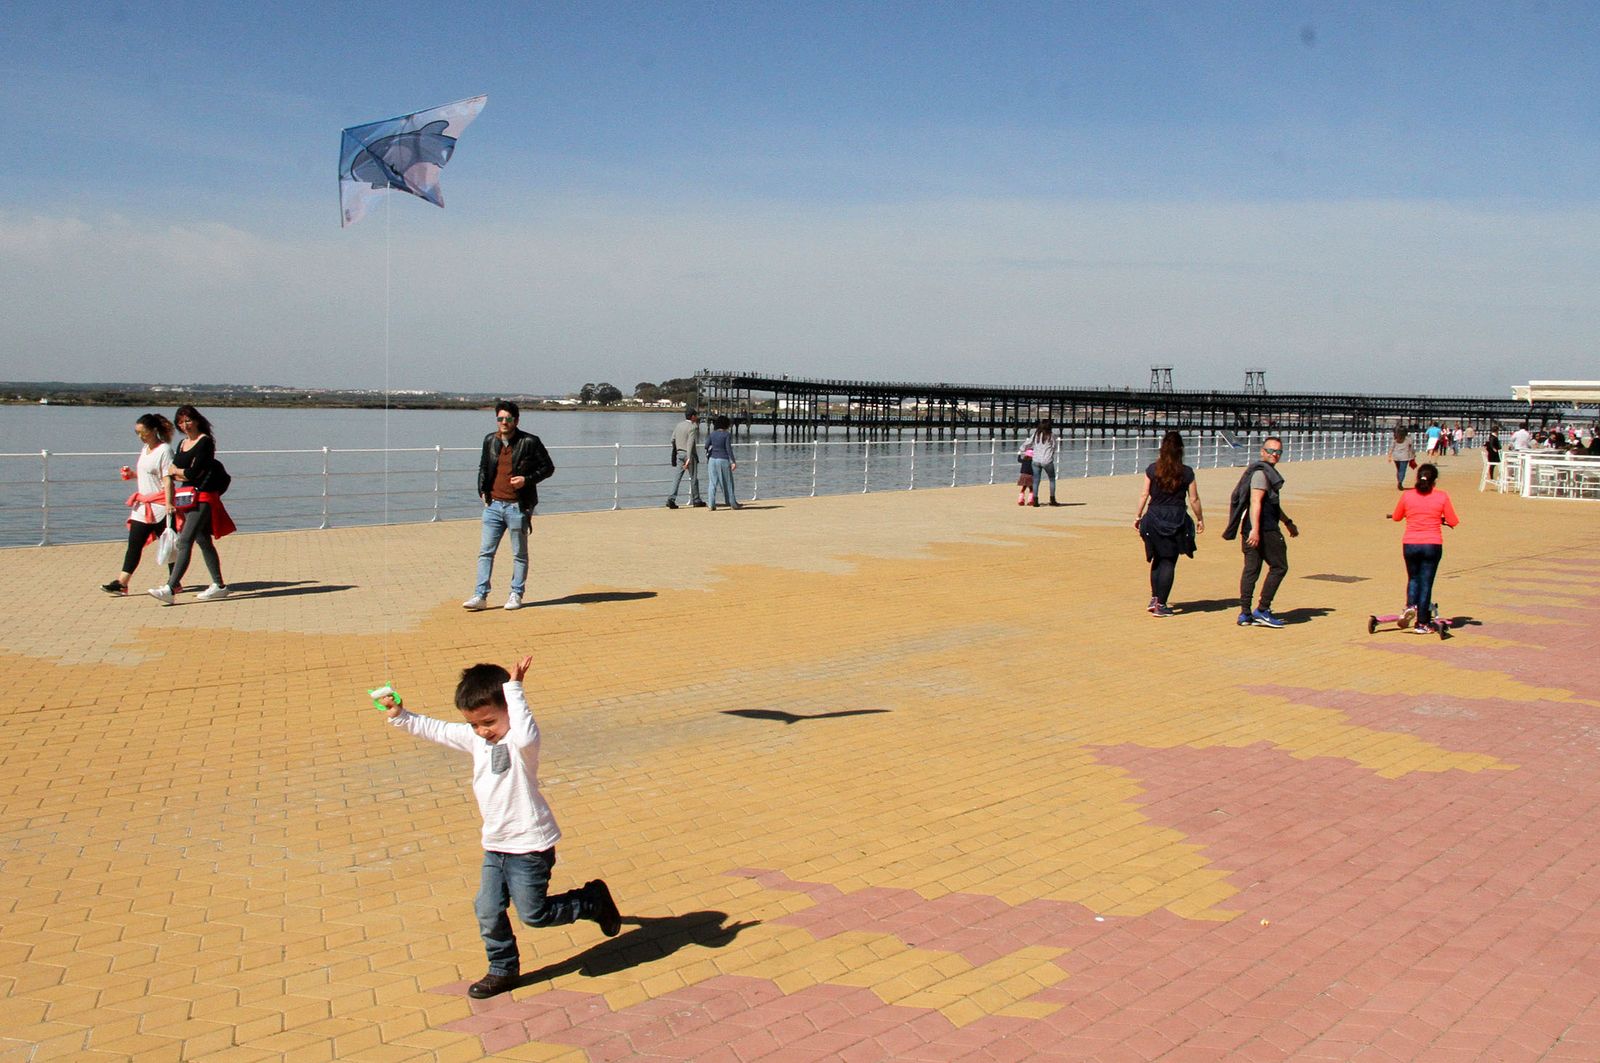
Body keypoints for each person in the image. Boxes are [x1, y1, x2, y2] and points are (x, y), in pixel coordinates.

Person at [376, 653, 622, 1000]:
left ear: (509, 709)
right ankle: (502, 969)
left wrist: (515, 687)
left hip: (530, 847)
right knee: (487, 909)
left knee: (534, 915)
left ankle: (591, 901)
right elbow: (435, 728)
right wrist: (400, 715)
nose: (482, 731)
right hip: (496, 846)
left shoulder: (522, 743)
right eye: (475, 724)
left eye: (489, 721)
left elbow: (523, 733)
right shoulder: (477, 739)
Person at [466, 402, 554, 612]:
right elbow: (483, 468)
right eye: (500, 419)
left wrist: (526, 479)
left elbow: (548, 468)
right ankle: (480, 595)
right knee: (485, 552)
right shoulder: (490, 440)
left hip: (517, 507)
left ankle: (516, 594)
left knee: (519, 554)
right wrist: (482, 491)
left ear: (516, 420)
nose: (504, 422)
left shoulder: (530, 441)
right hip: (493, 506)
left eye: (508, 419)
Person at [148, 405, 235, 605]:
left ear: (196, 420)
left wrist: (178, 471)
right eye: (180, 421)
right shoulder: (182, 444)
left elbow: (191, 473)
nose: (185, 425)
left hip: (203, 496)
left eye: (188, 420)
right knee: (203, 540)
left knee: (184, 540)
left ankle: (170, 587)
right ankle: (219, 586)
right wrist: (179, 471)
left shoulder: (205, 442)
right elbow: (174, 470)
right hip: (186, 496)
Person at [1133, 430, 1203, 617]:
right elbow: (1194, 499)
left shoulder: (1152, 469)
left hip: (1154, 516)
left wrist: (1138, 515)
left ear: (1162, 449)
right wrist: (1200, 518)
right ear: (1181, 449)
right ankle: (1161, 604)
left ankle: (1155, 598)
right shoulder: (1186, 472)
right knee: (1169, 561)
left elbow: (1144, 494)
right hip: (1175, 518)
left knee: (1158, 558)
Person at [105, 413, 174, 595]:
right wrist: (132, 475)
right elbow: (148, 474)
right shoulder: (145, 449)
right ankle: (122, 582)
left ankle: (174, 581)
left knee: (168, 545)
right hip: (142, 505)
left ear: (153, 431)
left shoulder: (165, 450)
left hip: (159, 506)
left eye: (142, 432)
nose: (140, 436)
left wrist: (169, 504)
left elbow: (167, 479)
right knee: (134, 544)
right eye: (137, 433)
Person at [1234, 436, 1299, 628]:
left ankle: (1245, 614)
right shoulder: (1262, 474)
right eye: (1271, 451)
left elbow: (1272, 505)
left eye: (1278, 452)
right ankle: (1262, 610)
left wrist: (1287, 522)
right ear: (1262, 452)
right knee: (1279, 566)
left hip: (1254, 527)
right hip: (1263, 529)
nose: (1275, 455)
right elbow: (1256, 502)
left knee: (1251, 570)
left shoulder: (1266, 473)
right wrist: (1255, 530)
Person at [1390, 462, 1459, 633]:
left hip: (1411, 543)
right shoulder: (1441, 496)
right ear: (1435, 480)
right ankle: (1422, 623)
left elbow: (1397, 517)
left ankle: (1410, 606)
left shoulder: (1408, 496)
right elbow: (1453, 521)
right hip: (1432, 544)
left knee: (1413, 578)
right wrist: (1440, 518)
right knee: (1426, 583)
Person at [665, 407, 705, 509]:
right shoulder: (693, 427)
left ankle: (671, 498)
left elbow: (672, 439)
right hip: (689, 454)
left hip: (679, 453)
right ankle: (696, 499)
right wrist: (689, 457)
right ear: (692, 416)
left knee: (677, 477)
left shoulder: (679, 425)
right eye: (696, 416)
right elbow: (690, 442)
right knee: (694, 477)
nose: (696, 417)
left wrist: (677, 448)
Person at [1021, 416, 1060, 506]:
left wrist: (1022, 450)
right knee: (1052, 479)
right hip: (1047, 460)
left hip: (1036, 460)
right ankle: (1052, 499)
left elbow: (1027, 443)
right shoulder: (1051, 435)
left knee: (1036, 480)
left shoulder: (1036, 434)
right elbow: (1054, 447)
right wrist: (1051, 454)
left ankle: (1035, 500)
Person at [705, 415, 740, 510]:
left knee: (712, 483)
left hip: (712, 459)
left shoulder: (712, 434)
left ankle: (711, 504)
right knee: (728, 483)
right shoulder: (726, 435)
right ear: (726, 424)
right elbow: (729, 449)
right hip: (723, 459)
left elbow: (706, 445)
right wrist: (733, 461)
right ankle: (732, 503)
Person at [1387, 426, 1415, 490]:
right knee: (1402, 470)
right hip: (1404, 457)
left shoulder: (1395, 439)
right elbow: (1411, 448)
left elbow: (1391, 448)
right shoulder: (1408, 439)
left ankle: (1399, 481)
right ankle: (1400, 482)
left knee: (1398, 470)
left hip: (1396, 457)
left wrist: (1389, 456)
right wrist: (1413, 455)